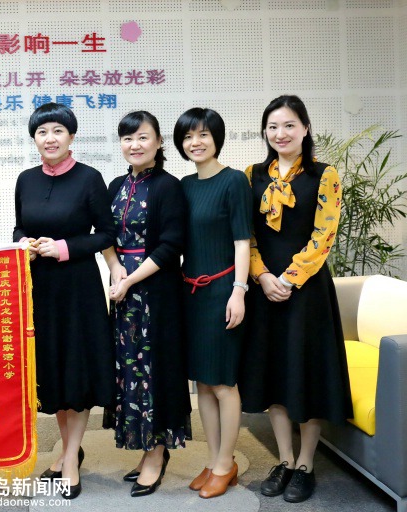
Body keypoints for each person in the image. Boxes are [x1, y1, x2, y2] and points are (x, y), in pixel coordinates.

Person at [238, 95, 352, 503]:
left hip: (307, 292)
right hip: (264, 289)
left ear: (305, 128)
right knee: (274, 374)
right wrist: (263, 276)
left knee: (307, 373)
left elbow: (324, 236)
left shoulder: (325, 174)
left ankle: (305, 464)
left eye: (289, 125)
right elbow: (246, 236)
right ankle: (284, 459)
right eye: (272, 126)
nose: (280, 134)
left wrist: (287, 279)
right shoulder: (251, 175)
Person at [12, 103, 115, 500]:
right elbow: (19, 226)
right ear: (34, 139)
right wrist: (24, 243)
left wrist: (64, 248)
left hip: (78, 288)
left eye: (57, 131)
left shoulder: (89, 178)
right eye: (42, 132)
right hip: (39, 287)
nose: (50, 138)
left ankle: (70, 457)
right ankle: (68, 448)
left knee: (78, 370)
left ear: (71, 136)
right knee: (53, 369)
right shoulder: (25, 179)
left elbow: (105, 234)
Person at [102, 111, 192, 498]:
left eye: (142, 137)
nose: (134, 145)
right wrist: (115, 269)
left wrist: (129, 279)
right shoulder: (116, 185)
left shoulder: (169, 186)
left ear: (158, 142)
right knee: (129, 368)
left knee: (155, 370)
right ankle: (144, 447)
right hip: (123, 289)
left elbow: (171, 246)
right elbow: (104, 234)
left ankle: (156, 453)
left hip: (156, 291)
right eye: (127, 138)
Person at [173, 108, 252, 498]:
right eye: (188, 136)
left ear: (217, 138)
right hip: (190, 293)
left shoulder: (233, 181)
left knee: (223, 382)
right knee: (202, 383)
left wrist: (239, 290)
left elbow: (242, 241)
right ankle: (212, 460)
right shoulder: (184, 186)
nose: (196, 142)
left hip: (222, 291)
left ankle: (226, 463)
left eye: (203, 134)